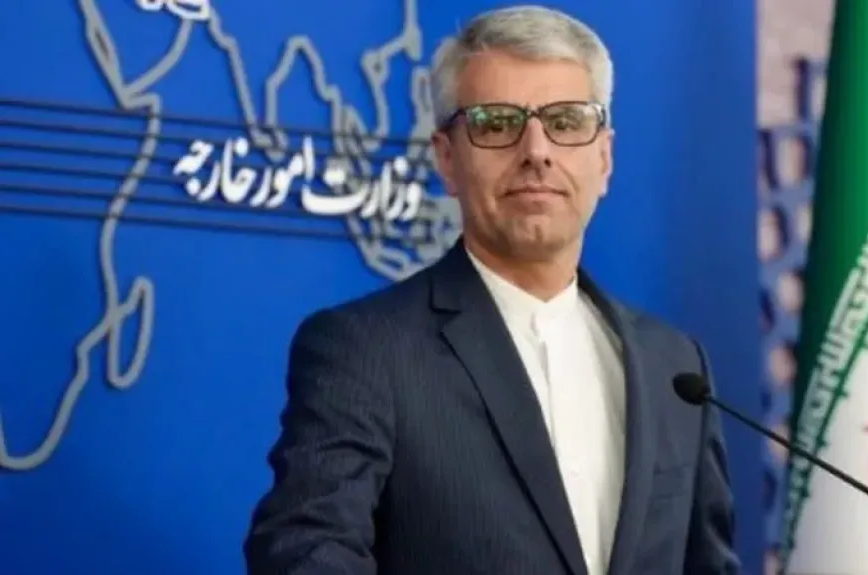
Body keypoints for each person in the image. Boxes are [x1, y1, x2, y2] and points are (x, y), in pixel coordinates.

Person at [243, 5, 740, 574]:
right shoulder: (366, 349)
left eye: (567, 121)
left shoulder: (674, 367)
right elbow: (305, 551)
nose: (537, 151)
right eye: (497, 123)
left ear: (604, 158)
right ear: (447, 160)